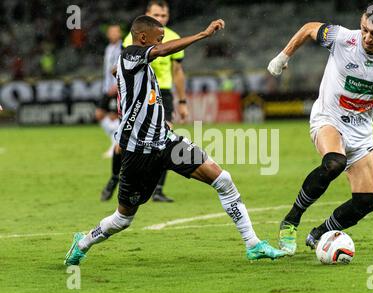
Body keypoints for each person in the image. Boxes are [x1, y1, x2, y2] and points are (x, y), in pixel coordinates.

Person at [64, 16, 287, 266]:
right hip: (138, 152)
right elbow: (161, 51)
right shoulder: (130, 53)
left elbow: (138, 65)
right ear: (143, 38)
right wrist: (202, 35)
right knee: (123, 219)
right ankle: (83, 242)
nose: (161, 43)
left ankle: (253, 244)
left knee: (222, 179)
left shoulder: (134, 63)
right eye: (158, 38)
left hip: (166, 142)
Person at [267, 3, 373, 255]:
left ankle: (318, 234)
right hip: (328, 118)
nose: (367, 37)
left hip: (361, 131)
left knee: (366, 201)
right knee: (334, 162)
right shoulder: (342, 38)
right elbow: (309, 29)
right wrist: (283, 57)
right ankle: (291, 221)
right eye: (364, 30)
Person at [121, 0, 188, 203]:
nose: (161, 19)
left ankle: (157, 189)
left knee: (164, 134)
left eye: (164, 16)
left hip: (163, 92)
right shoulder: (130, 39)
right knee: (127, 142)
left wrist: (182, 101)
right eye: (156, 15)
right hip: (138, 94)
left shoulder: (174, 38)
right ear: (148, 14)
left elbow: (177, 71)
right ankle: (121, 180)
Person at [97, 25, 123, 201]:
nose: (113, 34)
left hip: (115, 88)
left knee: (115, 117)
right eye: (111, 31)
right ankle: (114, 141)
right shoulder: (108, 48)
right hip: (106, 87)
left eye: (116, 31)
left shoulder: (122, 47)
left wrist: (116, 85)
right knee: (99, 115)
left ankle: (116, 143)